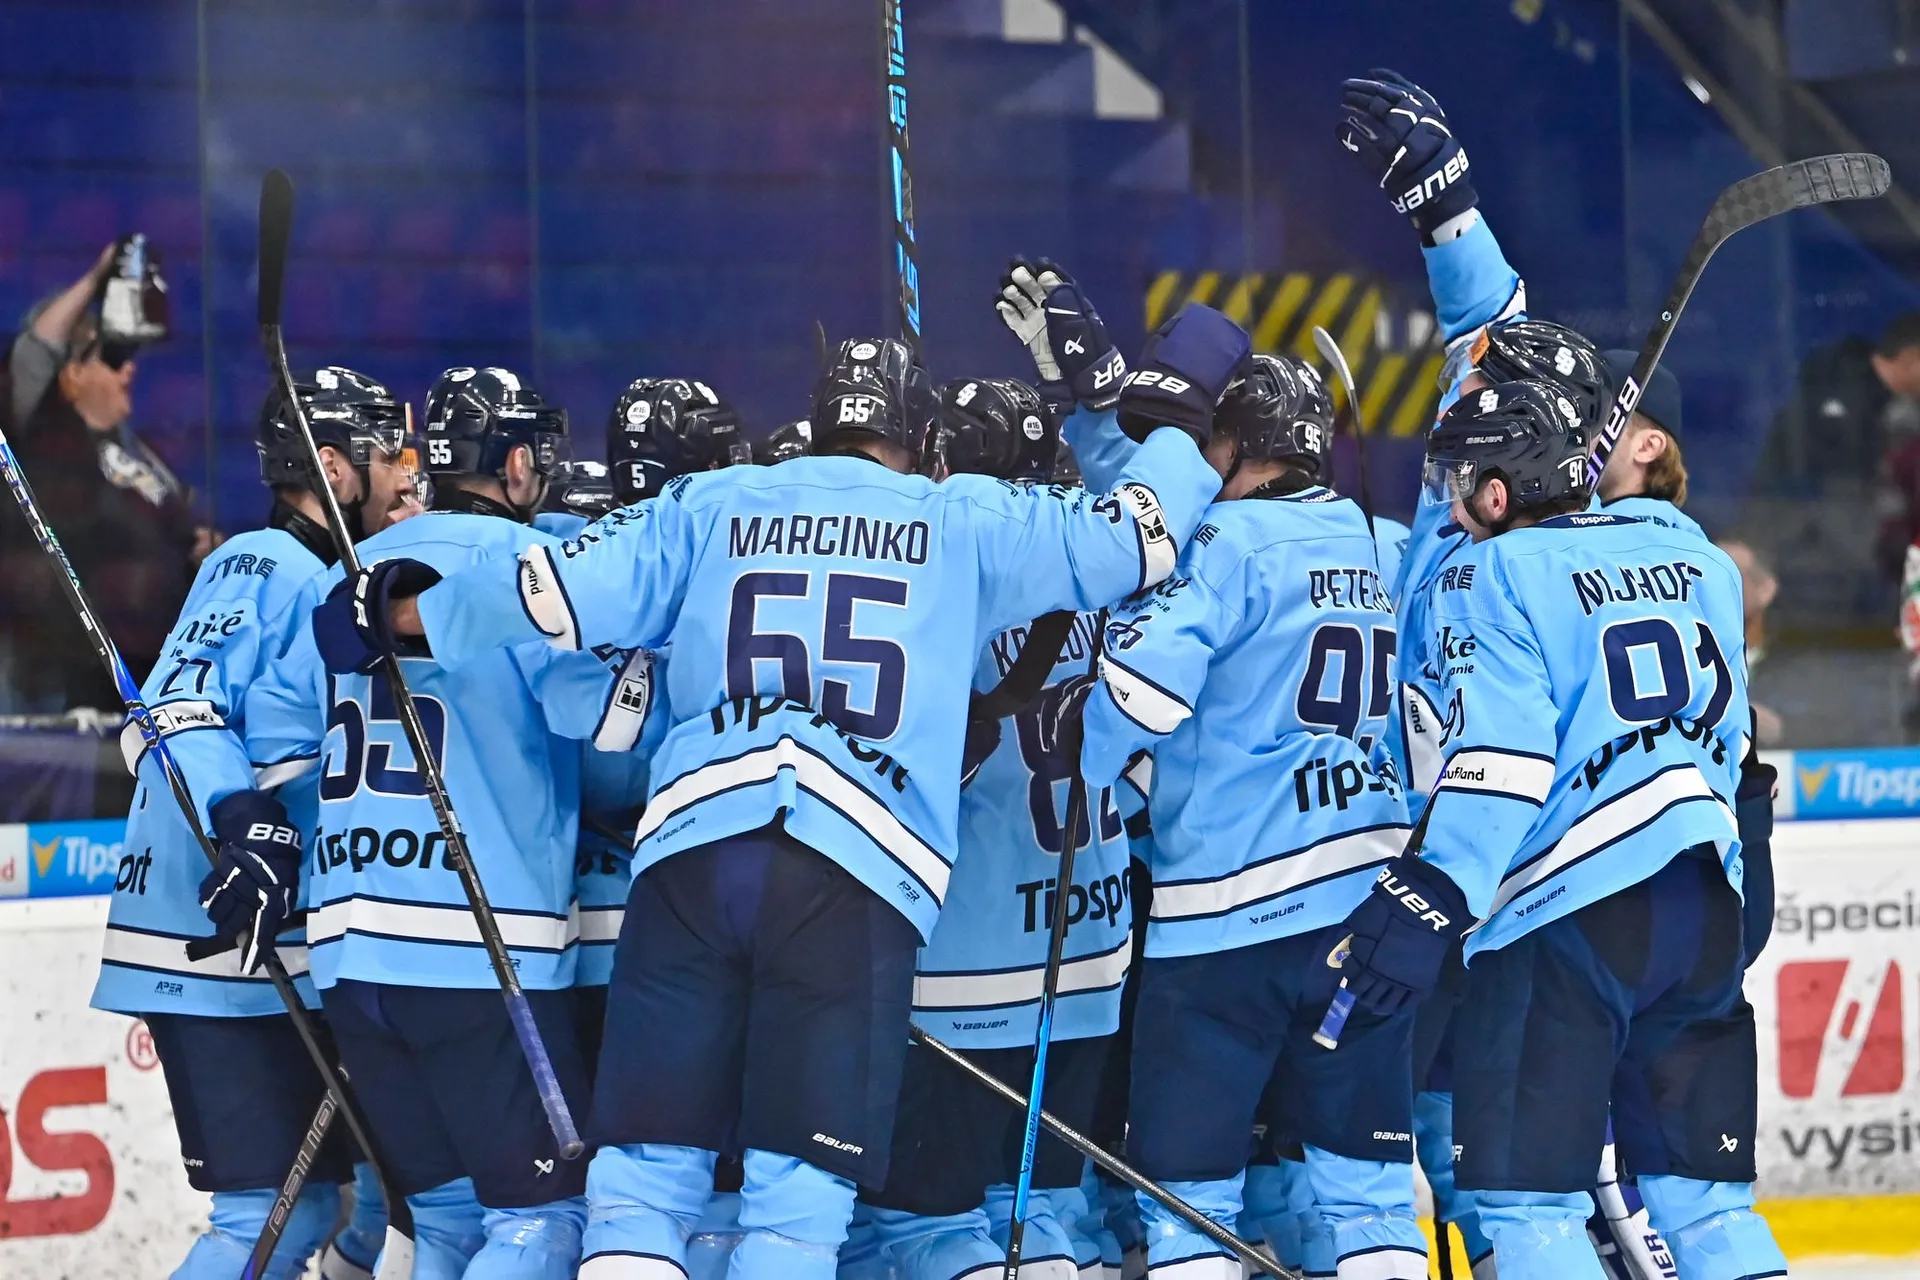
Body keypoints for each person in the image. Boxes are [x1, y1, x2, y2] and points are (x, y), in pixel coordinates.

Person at [328, 310, 1241, 1279]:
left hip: (692, 851)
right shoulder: (963, 515)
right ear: (920, 437)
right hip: (853, 869)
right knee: (793, 1208)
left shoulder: (711, 500)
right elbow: (1132, 538)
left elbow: (550, 590)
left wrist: (403, 614)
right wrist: (1187, 385)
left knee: (641, 1186)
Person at [1331, 378, 1785, 1280]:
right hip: (1705, 907)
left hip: (1570, 917)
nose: (1451, 505)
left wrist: (1428, 894)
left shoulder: (1499, 572)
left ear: (1500, 493)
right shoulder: (1700, 559)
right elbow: (1732, 748)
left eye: (1462, 482)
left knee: (1531, 1210)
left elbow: (1504, 763)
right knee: (1707, 1204)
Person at [235, 366, 643, 1280]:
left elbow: (275, 746)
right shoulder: (525, 571)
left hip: (350, 955)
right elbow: (612, 733)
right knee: (543, 1223)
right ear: (516, 464)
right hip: (480, 951)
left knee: (448, 1226)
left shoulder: (347, 572)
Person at [1056, 349, 1421, 1280]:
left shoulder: (1218, 544)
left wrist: (1094, 754)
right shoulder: (1381, 543)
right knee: (1371, 1198)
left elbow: (1138, 700)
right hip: (1366, 909)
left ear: (1233, 446)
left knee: (1189, 1205)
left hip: (1225, 924)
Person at [87, 366, 416, 1280]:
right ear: (335, 469)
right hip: (216, 934)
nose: (407, 474)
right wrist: (243, 818)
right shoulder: (265, 562)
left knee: (385, 1197)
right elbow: (172, 709)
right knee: (278, 1213)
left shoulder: (338, 580)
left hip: (283, 940)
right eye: (389, 455)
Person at [844, 374, 1132, 1280]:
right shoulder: (1109, 580)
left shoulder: (935, 586)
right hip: (1090, 960)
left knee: (925, 1228)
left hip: (966, 970)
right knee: (1043, 1217)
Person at [0, 237, 210, 712]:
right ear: (71, 374)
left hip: (148, 661)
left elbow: (177, 530)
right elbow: (35, 353)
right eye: (111, 360)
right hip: (64, 669)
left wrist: (200, 547)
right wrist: (97, 280)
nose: (129, 370)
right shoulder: (44, 435)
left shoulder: (141, 452)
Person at [1761, 310, 1920, 500]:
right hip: (1793, 504)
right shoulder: (1842, 392)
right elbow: (1845, 480)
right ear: (1913, 357)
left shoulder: (1880, 398)